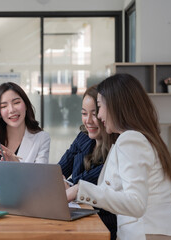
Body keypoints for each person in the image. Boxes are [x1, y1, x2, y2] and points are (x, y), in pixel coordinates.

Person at [66, 73, 171, 240]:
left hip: (148, 235)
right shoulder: (137, 138)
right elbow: (115, 192)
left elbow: (136, 203)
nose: (99, 116)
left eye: (100, 107)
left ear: (116, 106)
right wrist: (76, 189)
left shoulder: (131, 140)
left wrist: (80, 190)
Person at [58, 85, 118, 240]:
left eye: (95, 114)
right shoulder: (83, 137)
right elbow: (59, 170)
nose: (88, 121)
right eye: (84, 113)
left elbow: (84, 185)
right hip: (81, 215)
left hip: (103, 223)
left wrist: (68, 184)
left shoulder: (117, 149)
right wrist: (66, 183)